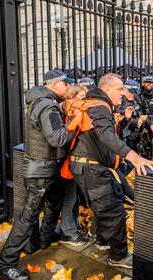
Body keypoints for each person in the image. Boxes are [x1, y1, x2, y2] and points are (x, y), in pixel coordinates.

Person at [69, 73, 153, 269]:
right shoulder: (100, 106)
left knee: (109, 201)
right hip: (90, 168)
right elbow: (106, 135)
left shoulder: (95, 102)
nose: (123, 93)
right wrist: (133, 156)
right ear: (107, 89)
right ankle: (118, 256)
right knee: (114, 211)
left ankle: (101, 241)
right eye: (120, 89)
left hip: (87, 166)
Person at [0, 69, 75, 280]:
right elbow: (57, 138)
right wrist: (75, 123)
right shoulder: (46, 105)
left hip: (49, 168)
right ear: (54, 84)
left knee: (56, 199)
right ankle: (5, 265)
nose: (68, 87)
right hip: (41, 171)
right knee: (27, 216)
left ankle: (45, 236)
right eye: (66, 84)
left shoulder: (45, 101)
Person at [57, 85, 88, 246]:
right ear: (73, 96)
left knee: (73, 197)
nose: (84, 98)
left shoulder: (72, 110)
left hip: (73, 162)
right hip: (69, 162)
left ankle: (72, 227)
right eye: (81, 95)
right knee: (69, 198)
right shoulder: (73, 111)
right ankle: (68, 232)